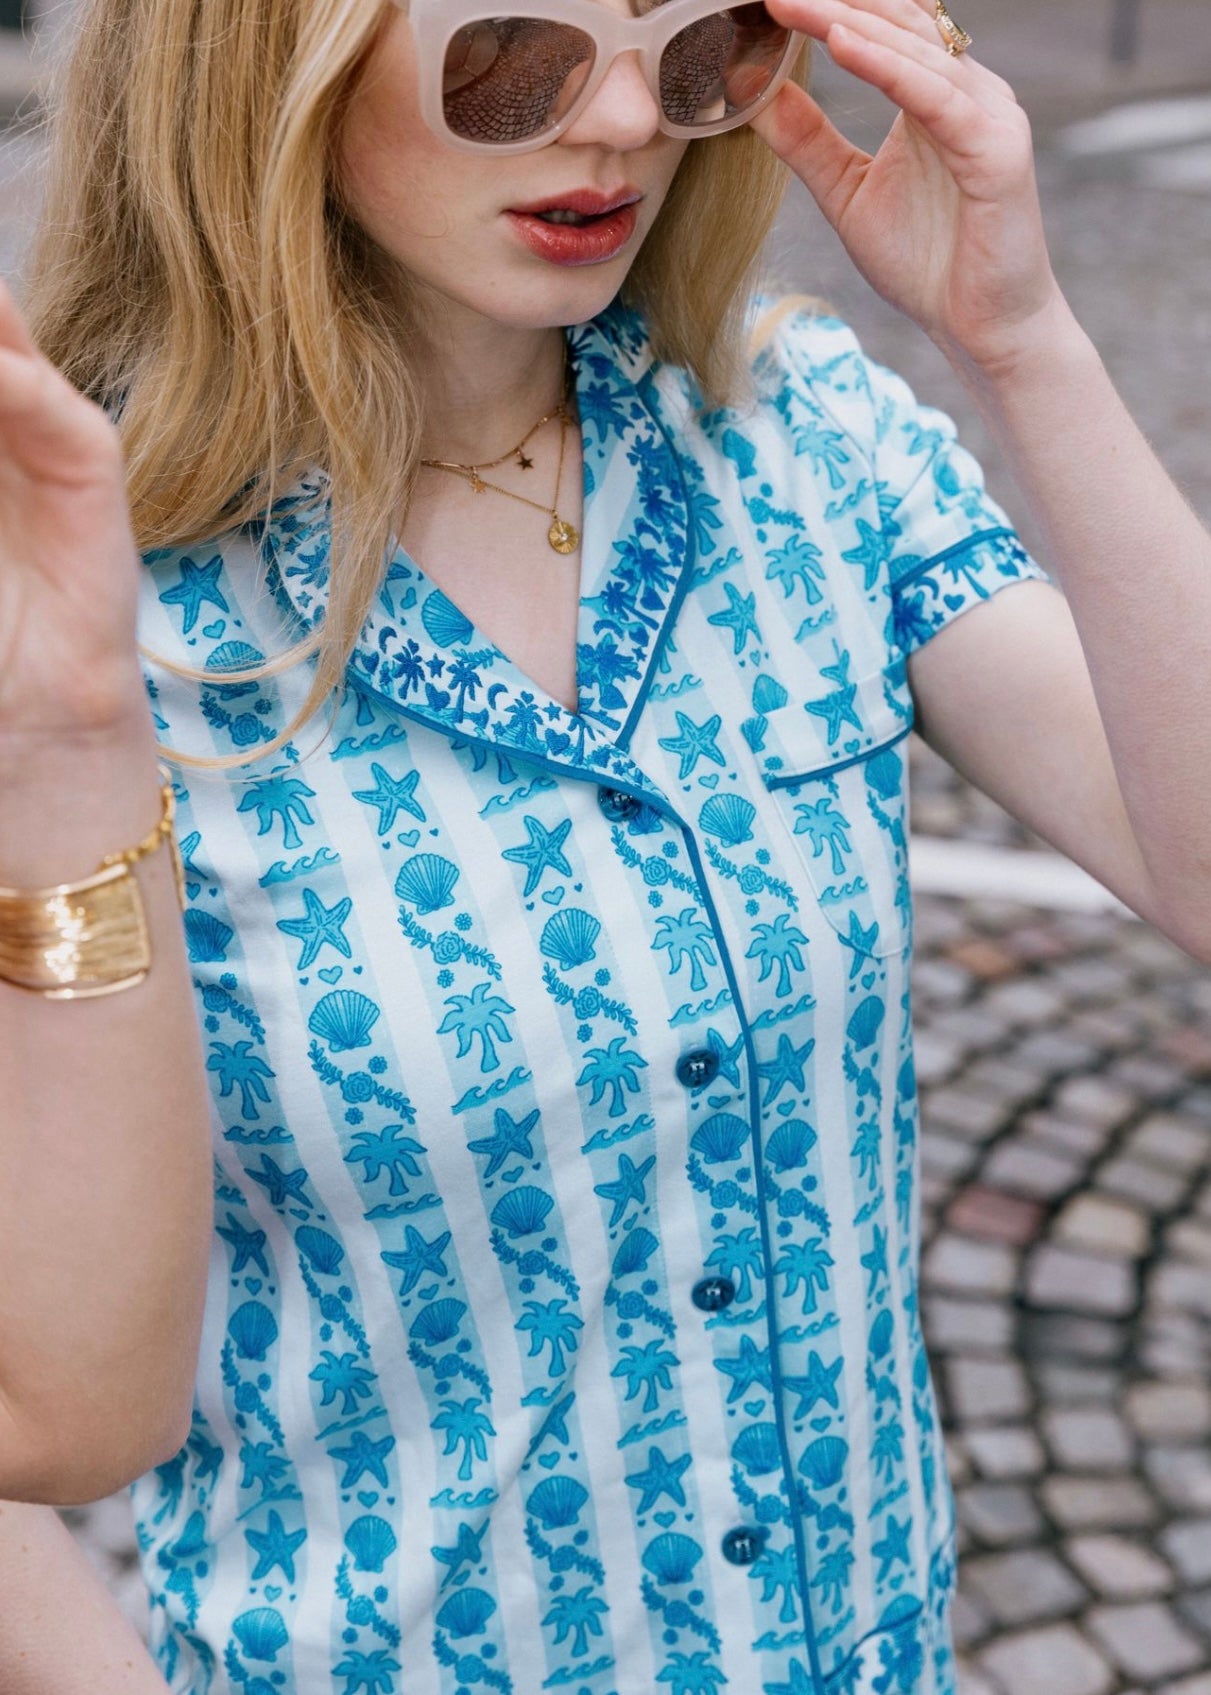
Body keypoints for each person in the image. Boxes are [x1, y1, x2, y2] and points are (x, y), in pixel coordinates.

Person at [1, 0, 1209, 1689]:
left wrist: (1021, 341)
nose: (633, 122)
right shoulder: (81, 614)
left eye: (704, 43)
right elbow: (45, 1422)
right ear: (271, 55)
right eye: (521, 55)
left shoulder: (800, 437)